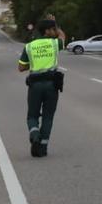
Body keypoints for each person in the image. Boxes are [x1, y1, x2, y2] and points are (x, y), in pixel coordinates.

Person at [18, 18, 65, 157]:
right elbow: (63, 36)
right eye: (53, 29)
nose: (55, 31)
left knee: (32, 115)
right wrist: (57, 24)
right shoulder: (55, 43)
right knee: (48, 117)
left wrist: (32, 64)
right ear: (47, 31)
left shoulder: (29, 46)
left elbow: (21, 67)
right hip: (51, 85)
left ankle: (34, 134)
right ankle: (43, 147)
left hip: (35, 85)